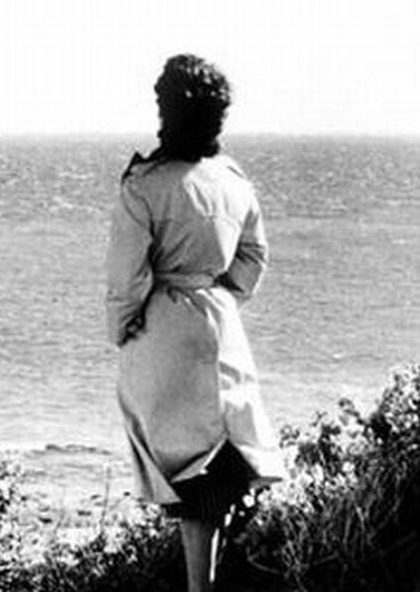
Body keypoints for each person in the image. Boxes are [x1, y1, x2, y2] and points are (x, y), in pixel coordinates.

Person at [105, 54, 285, 592]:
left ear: (166, 110)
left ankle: (197, 587)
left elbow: (126, 277)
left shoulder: (144, 185)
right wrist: (220, 297)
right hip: (221, 327)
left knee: (185, 470)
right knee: (222, 462)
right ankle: (205, 581)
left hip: (164, 331)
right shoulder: (233, 182)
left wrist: (125, 326)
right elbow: (254, 256)